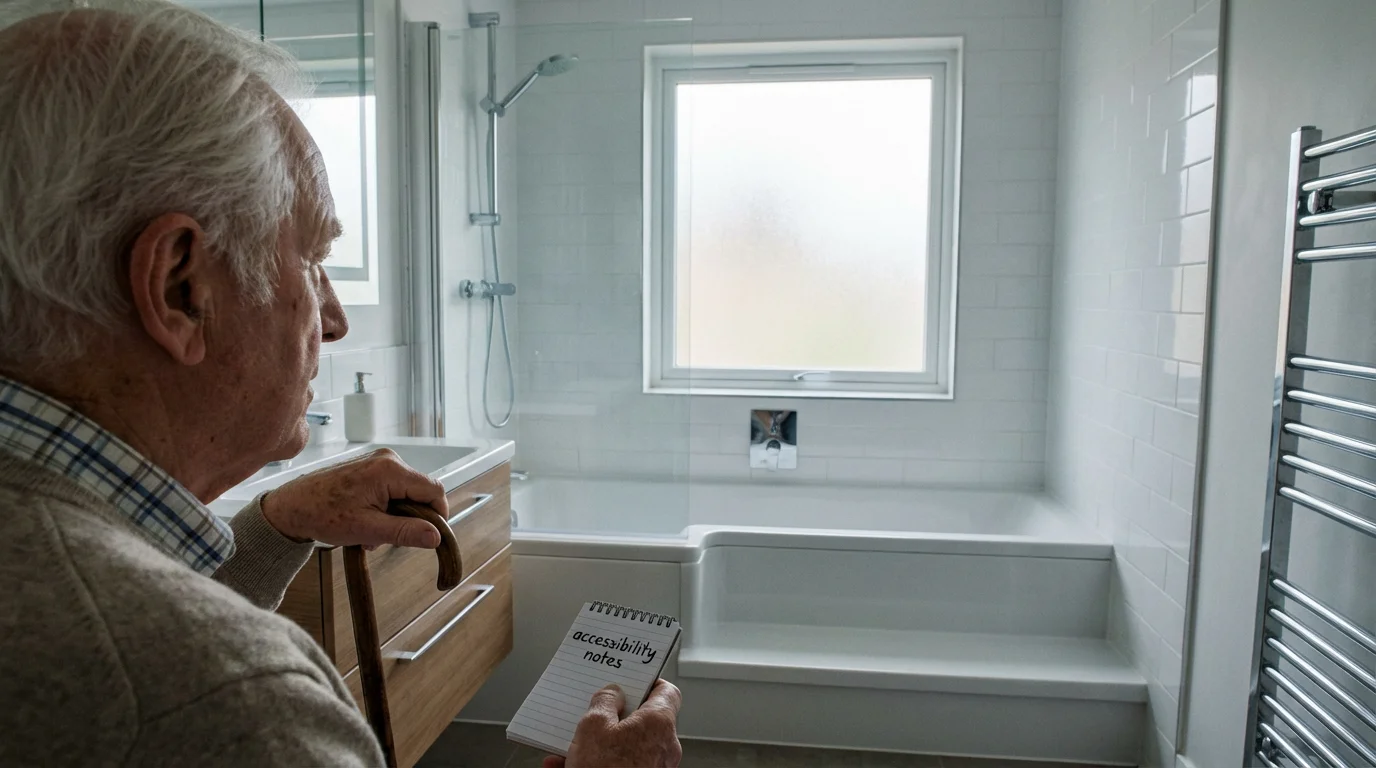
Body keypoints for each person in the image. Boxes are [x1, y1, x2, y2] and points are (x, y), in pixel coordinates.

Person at [0, 1, 683, 765]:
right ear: (180, 289)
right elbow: (151, 658)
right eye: (311, 260)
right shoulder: (236, 703)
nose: (333, 320)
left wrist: (275, 526)